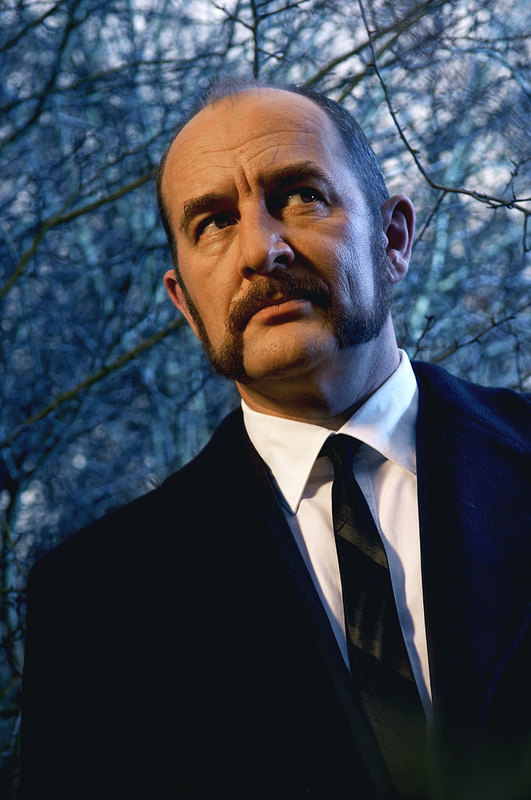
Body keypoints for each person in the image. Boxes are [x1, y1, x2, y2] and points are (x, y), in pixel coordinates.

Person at [22, 78, 530, 800]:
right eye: (213, 223)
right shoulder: (95, 601)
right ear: (185, 304)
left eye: (300, 196)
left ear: (392, 239)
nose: (261, 249)